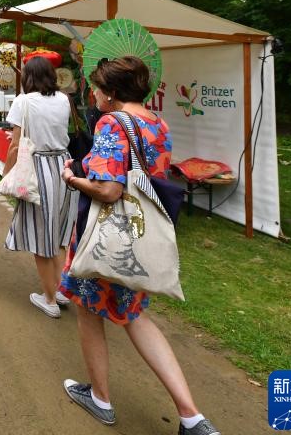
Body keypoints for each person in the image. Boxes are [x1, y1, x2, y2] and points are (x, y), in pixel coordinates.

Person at [59, 56, 219, 435]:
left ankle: (100, 398)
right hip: (139, 235)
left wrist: (71, 177)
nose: (94, 94)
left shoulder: (111, 122)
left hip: (106, 237)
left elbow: (109, 190)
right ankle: (192, 417)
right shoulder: (158, 124)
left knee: (88, 310)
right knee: (134, 316)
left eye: (97, 88)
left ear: (111, 92)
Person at [2, 56, 77, 318]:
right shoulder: (64, 99)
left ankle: (50, 299)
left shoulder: (23, 101)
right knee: (58, 235)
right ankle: (61, 290)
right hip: (64, 168)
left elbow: (15, 144)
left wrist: (7, 173)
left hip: (38, 169)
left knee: (41, 236)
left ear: (28, 78)